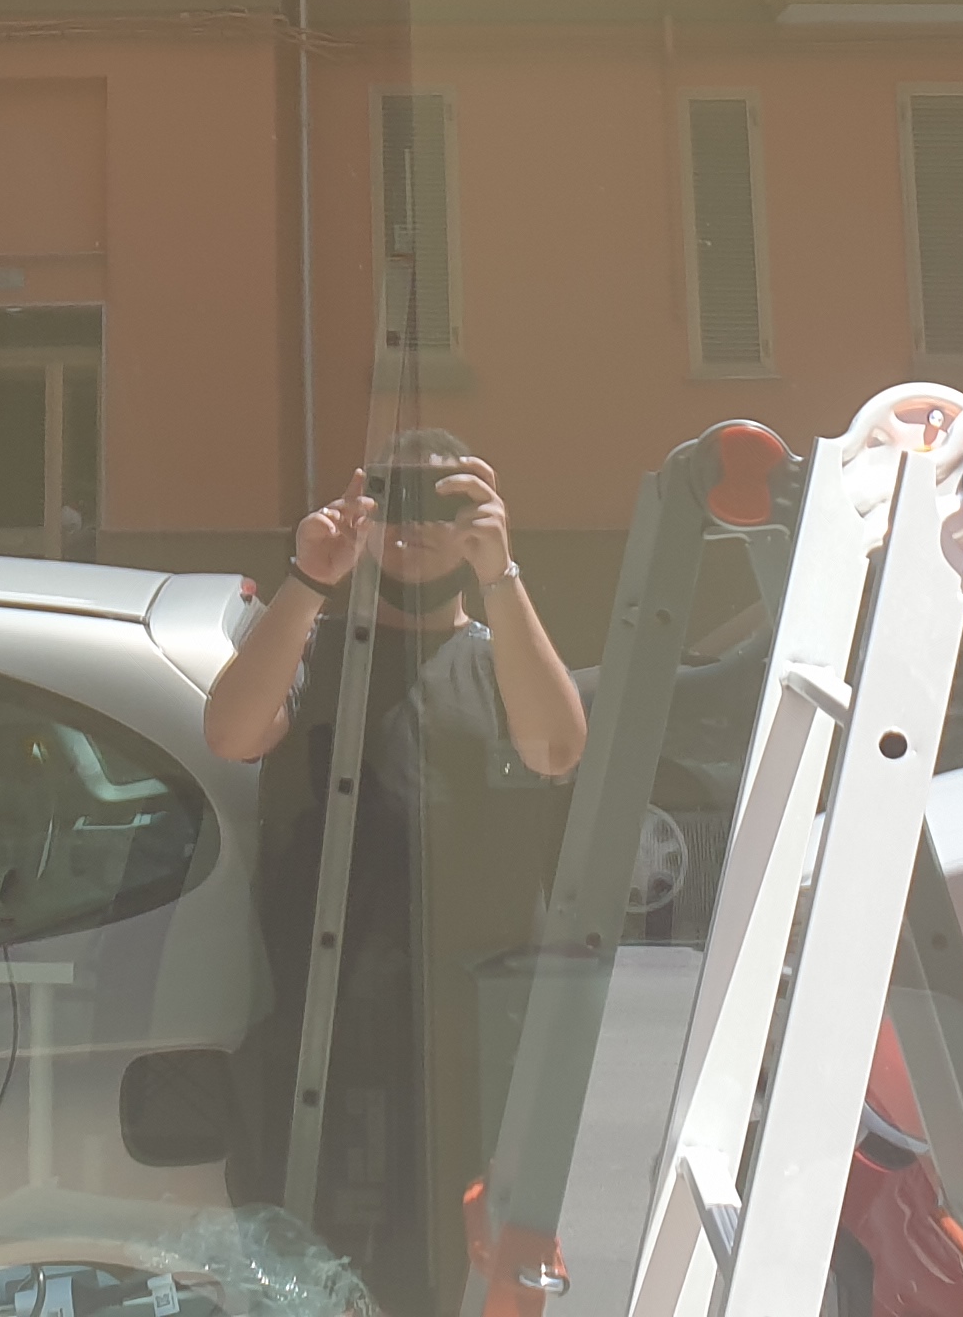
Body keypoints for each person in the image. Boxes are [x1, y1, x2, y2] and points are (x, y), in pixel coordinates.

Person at [204, 431, 586, 1317]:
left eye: (443, 502)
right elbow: (230, 732)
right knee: (320, 1283)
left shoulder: (496, 656)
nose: (415, 523)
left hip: (468, 1057)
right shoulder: (313, 647)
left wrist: (501, 572)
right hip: (320, 1050)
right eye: (393, 497)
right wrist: (310, 578)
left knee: (465, 1280)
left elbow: (558, 749)